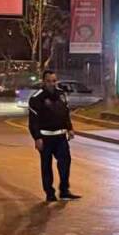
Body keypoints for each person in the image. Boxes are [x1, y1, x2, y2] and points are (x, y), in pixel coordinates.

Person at [28, 69, 81, 203]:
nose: (52, 84)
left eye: (54, 81)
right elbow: (33, 121)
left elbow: (65, 113)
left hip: (60, 137)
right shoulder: (36, 98)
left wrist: (70, 128)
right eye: (49, 81)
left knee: (65, 162)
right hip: (45, 138)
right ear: (43, 82)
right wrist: (37, 138)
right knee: (46, 166)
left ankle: (64, 190)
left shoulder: (61, 95)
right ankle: (49, 193)